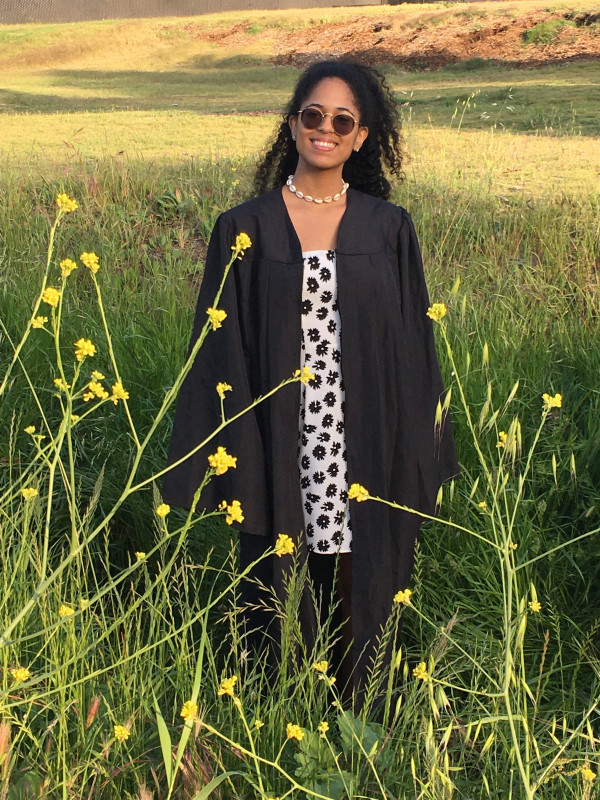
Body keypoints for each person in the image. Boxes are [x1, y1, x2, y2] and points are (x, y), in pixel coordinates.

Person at [162, 58, 459, 702]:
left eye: (342, 120)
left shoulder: (388, 228)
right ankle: (276, 710)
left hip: (365, 437)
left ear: (362, 136)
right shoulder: (244, 228)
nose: (325, 128)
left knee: (363, 573)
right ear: (293, 124)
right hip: (281, 433)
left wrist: (424, 453)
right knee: (280, 572)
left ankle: (356, 716)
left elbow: (414, 347)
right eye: (312, 115)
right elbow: (218, 352)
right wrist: (216, 458)